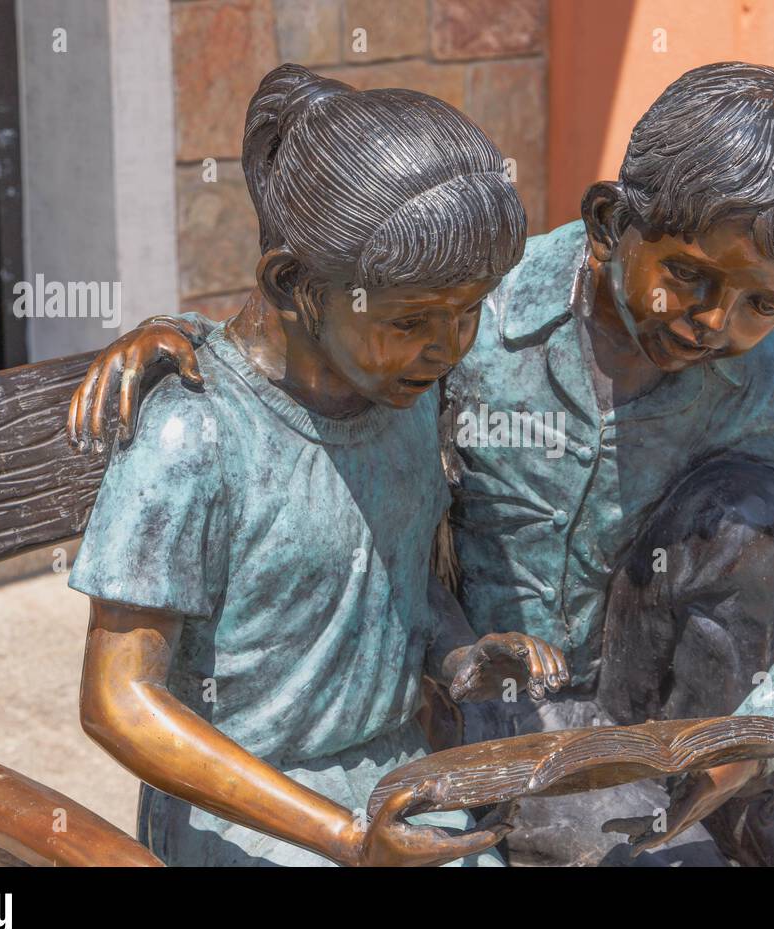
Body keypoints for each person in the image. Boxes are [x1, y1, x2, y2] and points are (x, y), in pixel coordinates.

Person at [71, 63, 774, 867]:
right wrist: (192, 342)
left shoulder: (766, 380)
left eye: (765, 303)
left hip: (642, 713)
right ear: (610, 223)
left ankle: (752, 801)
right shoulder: (468, 309)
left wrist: (756, 741)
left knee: (754, 512)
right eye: (687, 277)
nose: (713, 322)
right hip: (476, 733)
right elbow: (323, 327)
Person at [69, 64, 568, 867]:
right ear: (292, 283)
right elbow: (117, 702)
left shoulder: (402, 397)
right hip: (245, 811)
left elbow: (397, 571)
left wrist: (462, 657)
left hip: (396, 787)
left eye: (469, 312)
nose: (446, 349)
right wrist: (342, 837)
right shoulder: (193, 434)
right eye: (411, 322)